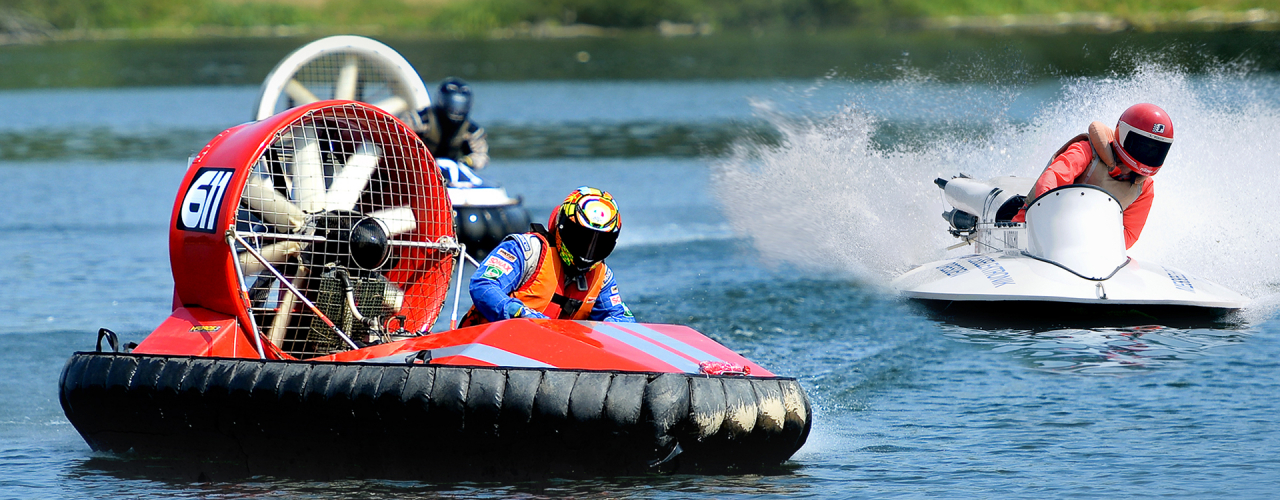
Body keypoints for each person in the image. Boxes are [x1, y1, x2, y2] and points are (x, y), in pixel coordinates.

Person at [459, 186, 635, 325]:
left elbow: (620, 318)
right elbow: (483, 285)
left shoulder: (602, 277)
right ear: (563, 227)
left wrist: (613, 329)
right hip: (487, 349)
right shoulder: (526, 250)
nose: (589, 250)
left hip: (552, 358)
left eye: (599, 243)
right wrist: (518, 312)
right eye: (582, 239)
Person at [1012, 103, 1174, 249]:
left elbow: (1129, 234)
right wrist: (1054, 224)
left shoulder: (1144, 187)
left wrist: (1093, 243)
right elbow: (1050, 181)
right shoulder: (1086, 151)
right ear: (1125, 134)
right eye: (1144, 146)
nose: (1148, 153)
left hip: (1085, 252)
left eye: (1155, 149)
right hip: (1032, 231)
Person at [417, 77, 490, 170]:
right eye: (453, 105)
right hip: (418, 168)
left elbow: (481, 156)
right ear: (441, 101)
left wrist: (468, 161)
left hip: (451, 171)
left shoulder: (471, 131)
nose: (456, 111)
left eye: (461, 106)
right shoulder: (420, 121)